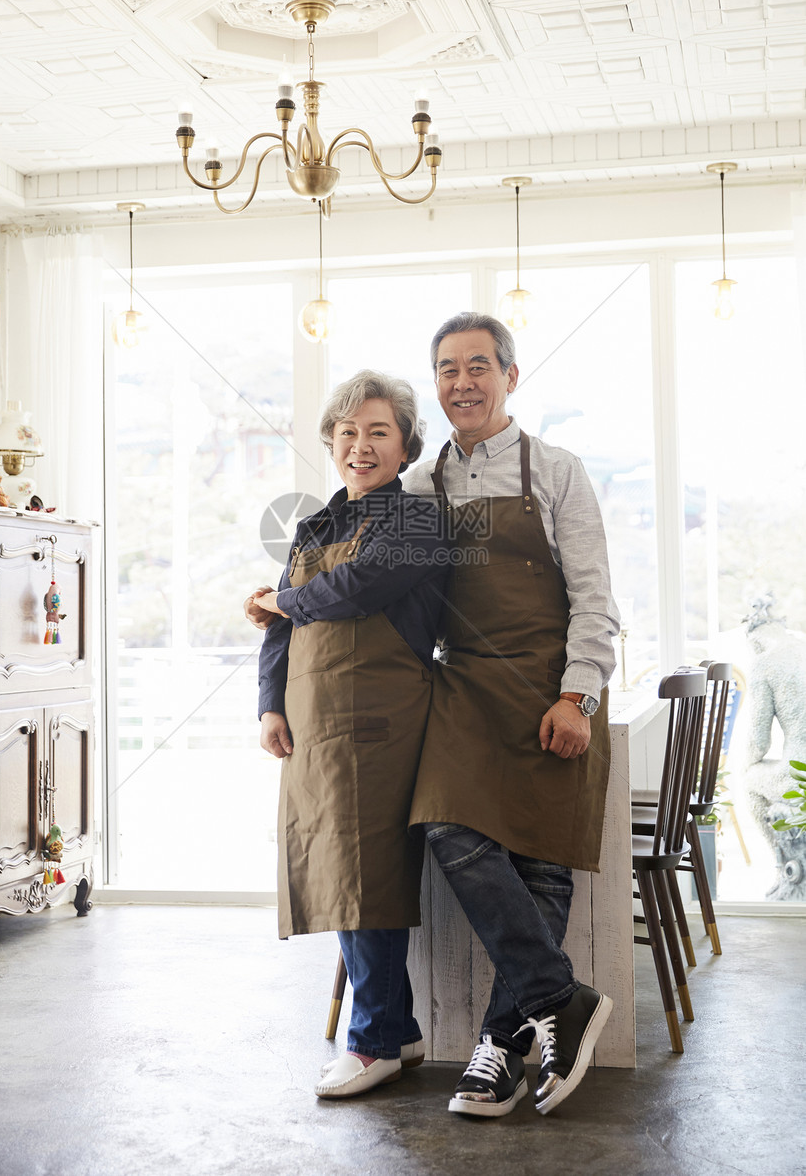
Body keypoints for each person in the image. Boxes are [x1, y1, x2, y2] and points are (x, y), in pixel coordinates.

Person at [403, 311, 620, 1119]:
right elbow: (386, 591)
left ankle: (500, 1045)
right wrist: (288, 604)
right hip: (461, 690)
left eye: (477, 367)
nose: (462, 383)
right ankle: (559, 997)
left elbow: (595, 598)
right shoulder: (421, 486)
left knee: (540, 864)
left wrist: (577, 694)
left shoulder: (557, 471)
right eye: (447, 370)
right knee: (447, 828)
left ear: (510, 377)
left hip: (545, 689)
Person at [245, 370, 449, 1100]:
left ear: (405, 446)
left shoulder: (420, 522)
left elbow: (356, 586)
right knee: (339, 875)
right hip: (312, 726)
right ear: (332, 440)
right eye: (347, 432)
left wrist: (284, 598)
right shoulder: (313, 526)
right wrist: (272, 705)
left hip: (380, 724)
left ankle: (373, 1044)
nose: (360, 446)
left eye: (378, 432)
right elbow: (278, 626)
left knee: (368, 880)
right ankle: (399, 1031)